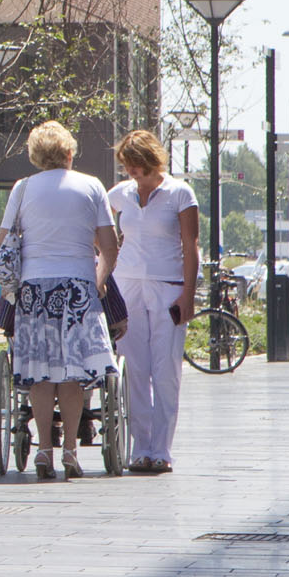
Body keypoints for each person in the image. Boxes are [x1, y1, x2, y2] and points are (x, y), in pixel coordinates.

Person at [0, 121, 119, 481]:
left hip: (35, 288)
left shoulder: (22, 189)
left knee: (39, 372)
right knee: (73, 374)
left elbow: (2, 245)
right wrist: (97, 283)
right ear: (70, 152)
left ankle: (43, 451)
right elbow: (110, 248)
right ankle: (70, 449)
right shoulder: (91, 186)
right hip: (77, 286)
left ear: (35, 156)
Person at [105, 130, 198, 477]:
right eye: (126, 166)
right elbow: (95, 222)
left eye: (135, 165)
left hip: (167, 287)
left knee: (165, 370)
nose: (131, 171)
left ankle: (161, 449)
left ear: (151, 160)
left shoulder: (179, 193)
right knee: (135, 369)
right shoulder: (120, 194)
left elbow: (191, 247)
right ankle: (139, 448)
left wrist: (187, 294)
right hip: (127, 285)